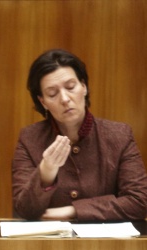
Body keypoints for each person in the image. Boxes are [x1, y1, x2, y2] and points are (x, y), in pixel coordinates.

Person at [12, 49, 147, 221]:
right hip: (50, 239)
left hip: (105, 238)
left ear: (84, 87)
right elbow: (23, 210)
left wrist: (72, 211)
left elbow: (139, 202)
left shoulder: (119, 135)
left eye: (70, 87)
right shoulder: (29, 139)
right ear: (43, 101)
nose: (64, 99)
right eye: (52, 94)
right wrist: (46, 172)